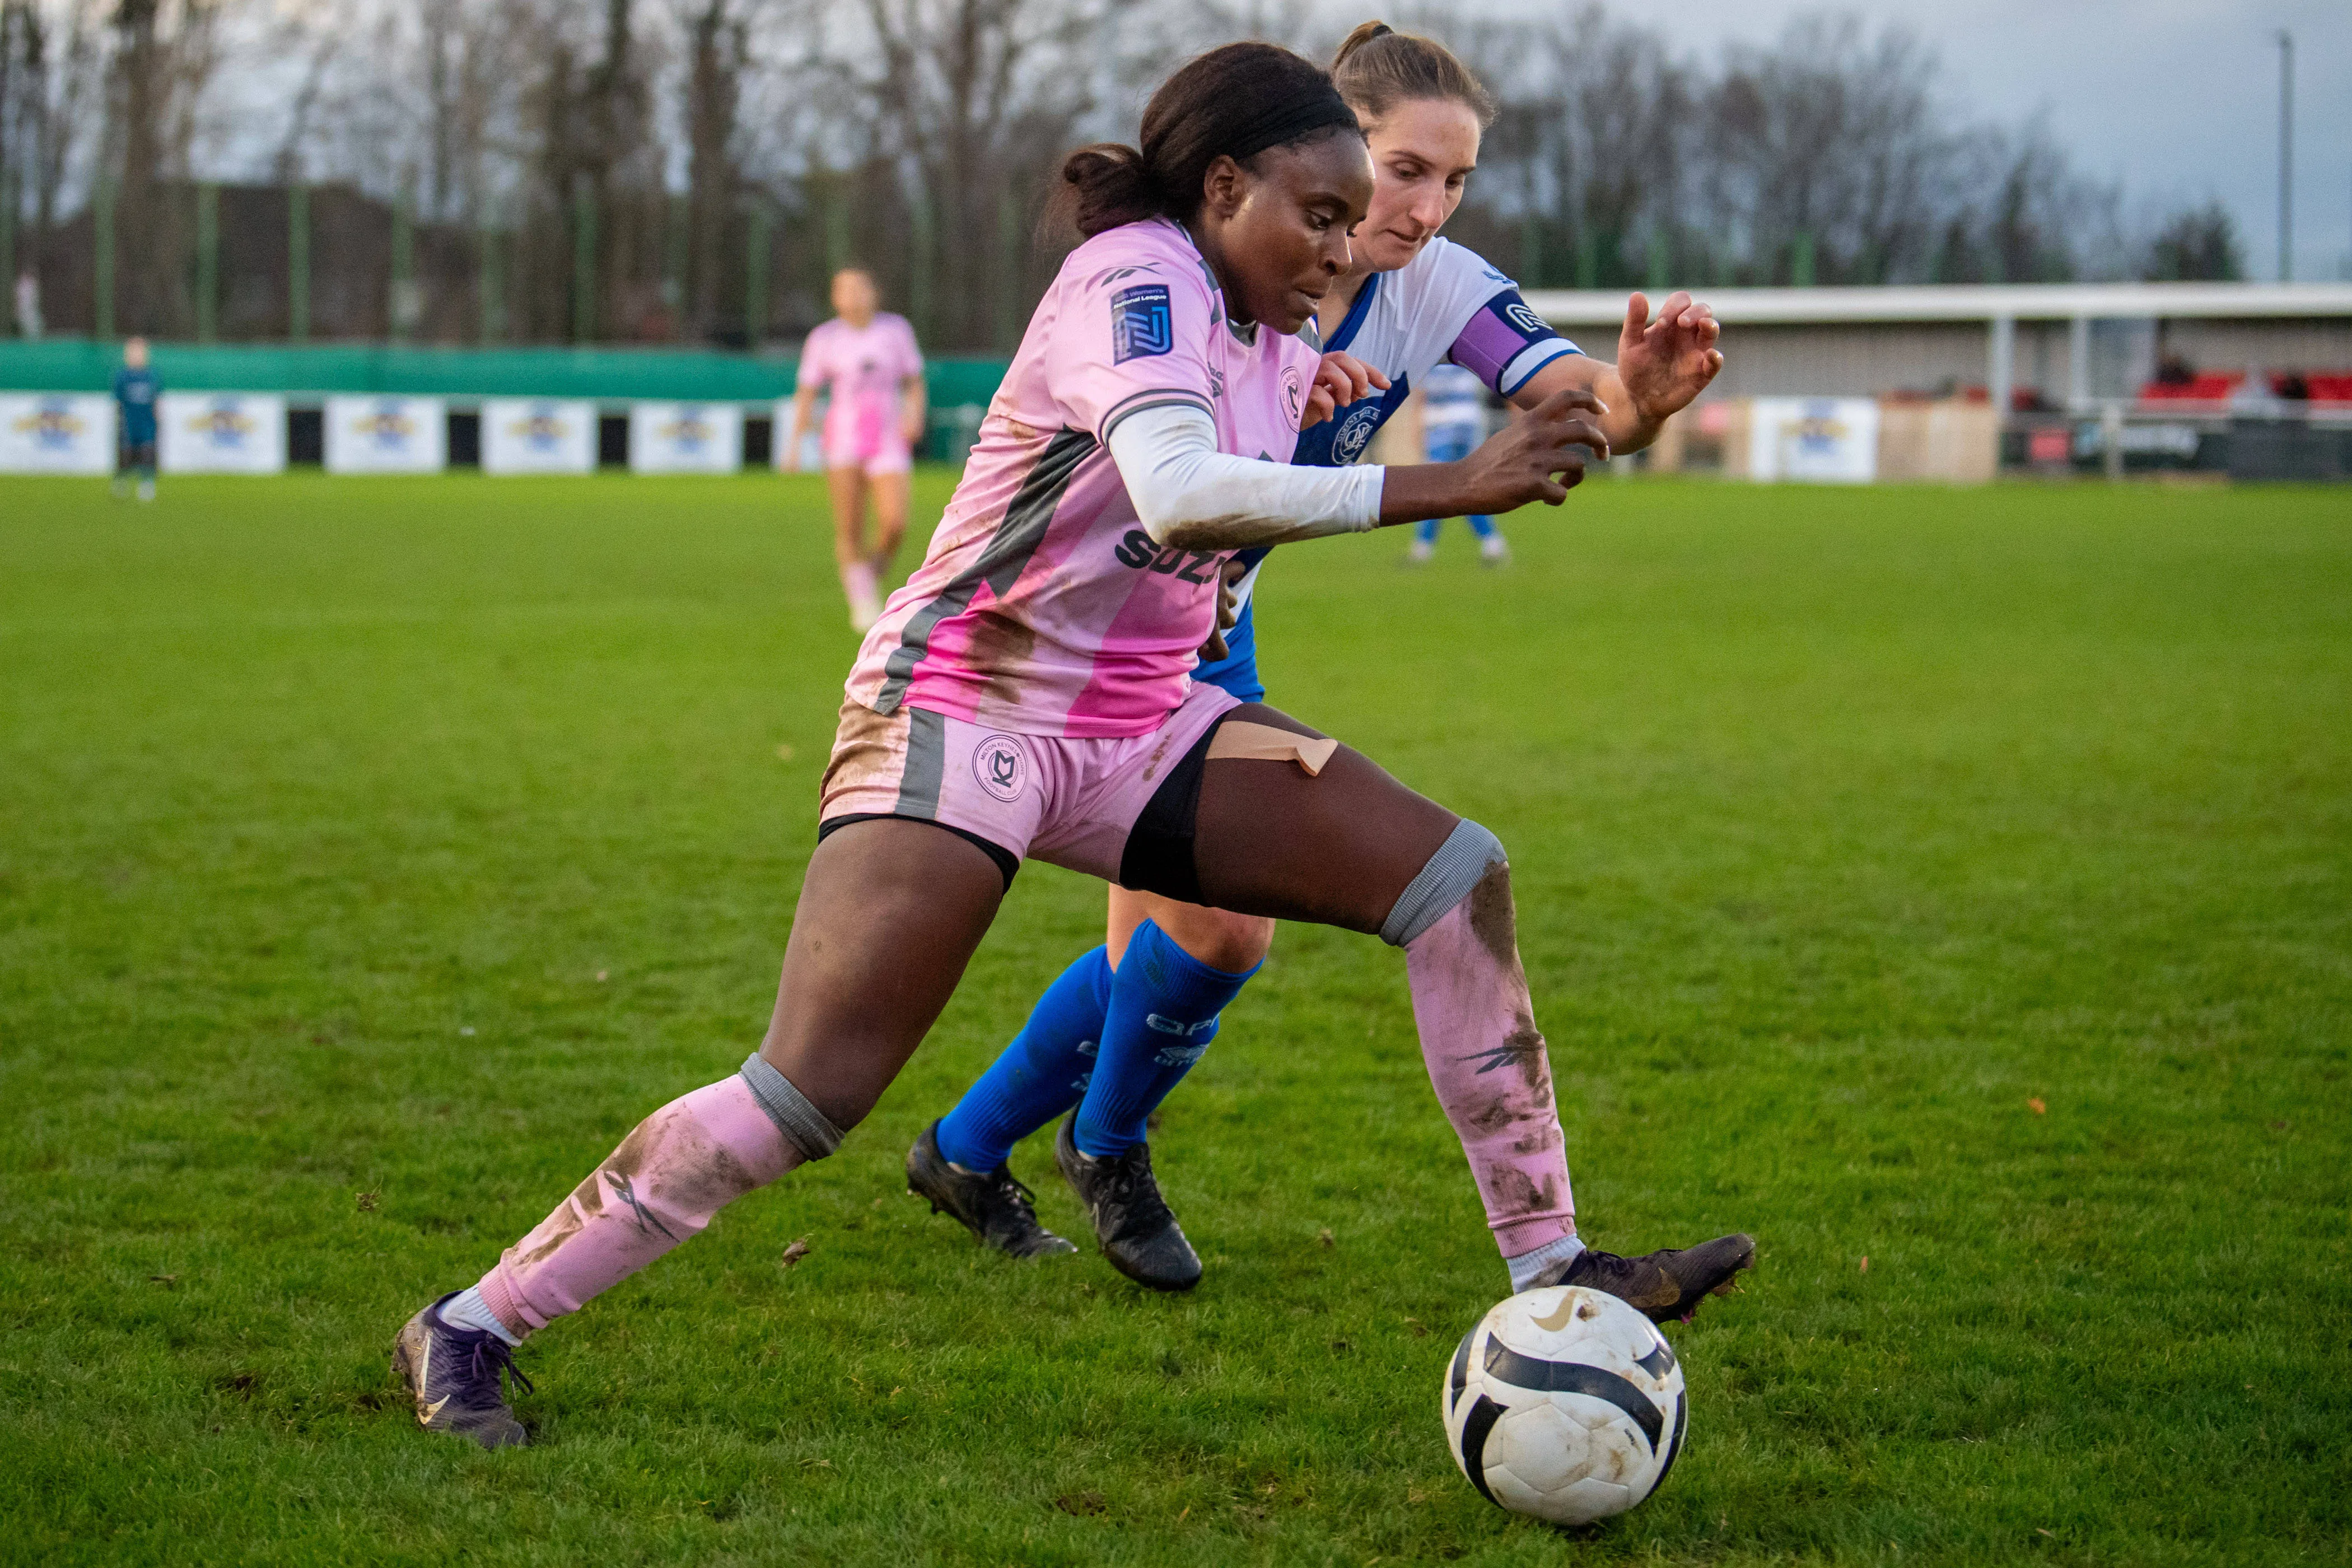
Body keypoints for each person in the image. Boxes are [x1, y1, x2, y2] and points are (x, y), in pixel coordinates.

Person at [392, 39, 1749, 1450]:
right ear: (1226, 187)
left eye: (1396, 204)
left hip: (1144, 713)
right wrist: (1443, 482)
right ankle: (474, 1322)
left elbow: (1548, 402)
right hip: (965, 701)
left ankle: (1553, 1270)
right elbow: (1176, 490)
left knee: (1453, 875)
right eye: (1335, 212)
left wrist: (1634, 412)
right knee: (808, 1093)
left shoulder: (1288, 301)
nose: (1361, 248)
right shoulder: (1136, 279)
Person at [911, 21, 1726, 1292]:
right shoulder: (1199, 277)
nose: (1424, 208)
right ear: (1324, 153)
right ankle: (1095, 1147)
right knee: (1211, 932)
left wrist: (1637, 400)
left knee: (1200, 941)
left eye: (1454, 182)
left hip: (1208, 638)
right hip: (1082, 641)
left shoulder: (1436, 285)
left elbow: (1575, 402)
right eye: (1404, 171)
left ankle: (977, 1149)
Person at [785, 268, 927, 631]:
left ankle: (871, 572)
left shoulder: (896, 331)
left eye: (859, 288)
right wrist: (795, 444)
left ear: (874, 292)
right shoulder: (824, 338)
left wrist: (914, 415)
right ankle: (861, 600)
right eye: (843, 290)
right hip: (844, 439)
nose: (852, 296)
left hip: (887, 437)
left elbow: (913, 382)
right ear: (835, 298)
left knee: (895, 522)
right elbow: (807, 392)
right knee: (849, 526)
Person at [1405, 361, 1506, 564]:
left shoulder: (1429, 359)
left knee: (1434, 488)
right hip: (1467, 425)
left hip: (1441, 429)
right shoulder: (1464, 357)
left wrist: (1418, 431)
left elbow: (1422, 398)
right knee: (1469, 487)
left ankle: (1422, 548)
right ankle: (1492, 542)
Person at [112, 337, 159, 502]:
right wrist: (120, 421)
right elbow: (118, 401)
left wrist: (157, 420)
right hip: (129, 423)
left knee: (147, 454)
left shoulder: (152, 376)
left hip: (147, 424)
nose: (137, 355)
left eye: (140, 352)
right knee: (126, 455)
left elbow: (157, 401)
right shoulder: (122, 376)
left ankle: (147, 485)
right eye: (133, 352)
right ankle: (121, 481)